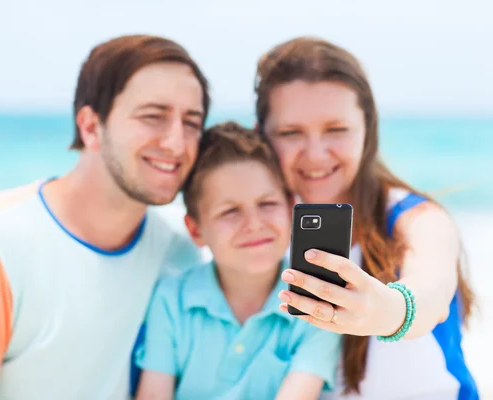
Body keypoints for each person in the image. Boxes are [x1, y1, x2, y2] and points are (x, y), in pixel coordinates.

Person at [0, 34, 211, 400]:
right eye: (153, 117)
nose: (177, 144)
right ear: (90, 127)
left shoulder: (177, 255)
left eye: (192, 122)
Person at [254, 36, 479, 399]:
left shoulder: (416, 218)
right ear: (260, 135)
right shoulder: (257, 228)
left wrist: (386, 310)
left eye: (336, 130)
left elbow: (431, 294)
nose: (315, 153)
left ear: (367, 129)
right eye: (291, 133)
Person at [133, 121, 341, 400]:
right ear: (196, 230)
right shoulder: (171, 301)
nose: (254, 224)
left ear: (292, 208)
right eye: (230, 211)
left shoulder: (317, 305)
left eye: (267, 204)